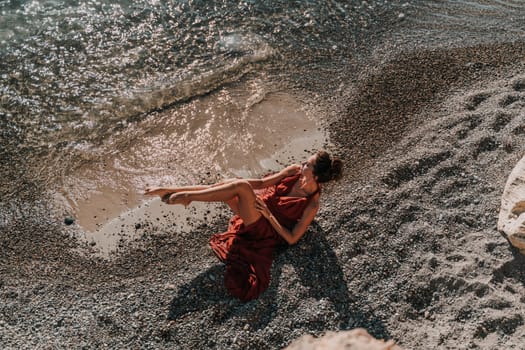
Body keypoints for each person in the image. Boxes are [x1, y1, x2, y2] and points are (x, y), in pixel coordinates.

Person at [144, 150, 343, 301]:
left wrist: (268, 214)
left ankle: (186, 196)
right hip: (255, 208)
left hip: (265, 230)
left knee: (239, 188)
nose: (302, 164)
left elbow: (291, 238)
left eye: (307, 164)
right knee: (231, 185)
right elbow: (261, 182)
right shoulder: (293, 171)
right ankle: (172, 191)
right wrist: (234, 182)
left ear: (315, 177)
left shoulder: (312, 204)